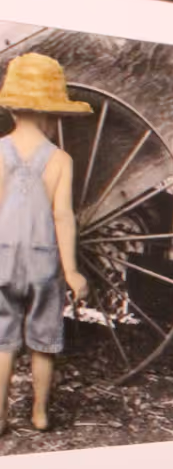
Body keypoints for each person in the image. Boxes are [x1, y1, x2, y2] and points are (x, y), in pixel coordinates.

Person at [0, 52, 92, 435]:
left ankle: (0, 418)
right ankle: (39, 414)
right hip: (44, 266)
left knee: (2, 342)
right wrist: (71, 271)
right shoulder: (60, 160)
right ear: (50, 114)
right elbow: (62, 217)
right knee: (43, 344)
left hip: (1, 261)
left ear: (13, 110)